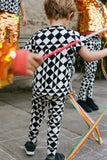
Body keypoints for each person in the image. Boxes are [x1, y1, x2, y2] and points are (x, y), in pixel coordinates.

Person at [23, 0, 107, 160]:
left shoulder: (38, 35)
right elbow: (89, 57)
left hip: (39, 88)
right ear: (70, 15)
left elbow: (24, 54)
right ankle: (51, 155)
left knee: (36, 116)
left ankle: (31, 145)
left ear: (47, 14)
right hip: (59, 90)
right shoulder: (72, 36)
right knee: (54, 122)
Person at [74, 0, 107, 112]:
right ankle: (82, 98)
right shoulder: (85, 1)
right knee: (89, 70)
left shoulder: (101, 5)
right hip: (88, 37)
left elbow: (105, 21)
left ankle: (89, 97)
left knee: (92, 71)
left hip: (98, 37)